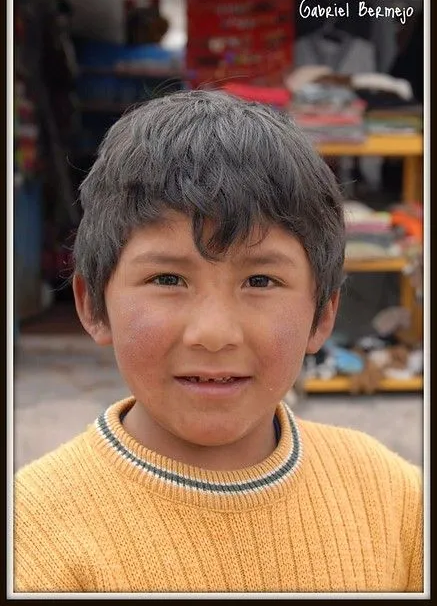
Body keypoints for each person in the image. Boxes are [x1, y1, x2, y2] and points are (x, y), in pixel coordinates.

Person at [14, 90, 423, 594]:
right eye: (167, 279)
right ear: (94, 306)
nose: (213, 334)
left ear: (322, 315)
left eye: (261, 281)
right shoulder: (31, 535)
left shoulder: (393, 499)